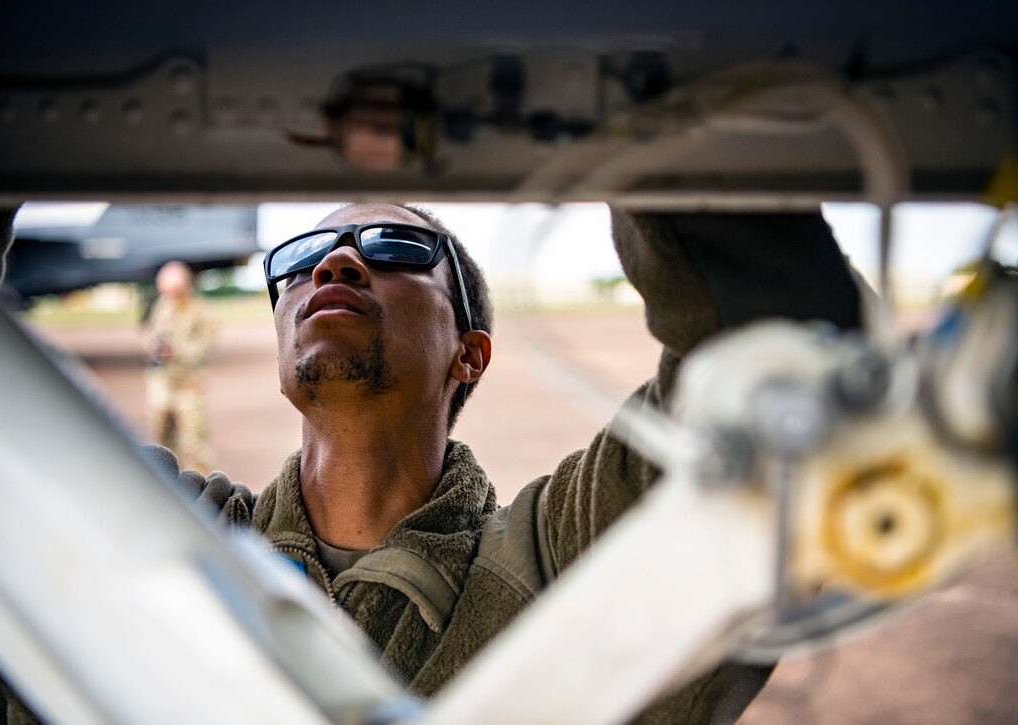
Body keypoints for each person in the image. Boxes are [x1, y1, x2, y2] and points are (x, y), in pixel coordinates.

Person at [171, 202, 863, 723]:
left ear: (469, 353)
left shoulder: (560, 556)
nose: (334, 263)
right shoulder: (178, 525)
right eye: (300, 258)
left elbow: (791, 350)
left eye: (393, 245)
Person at [144, 261, 215, 471]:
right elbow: (150, 336)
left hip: (188, 385)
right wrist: (154, 346)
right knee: (161, 440)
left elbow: (205, 345)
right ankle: (167, 485)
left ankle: (203, 491)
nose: (170, 294)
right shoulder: (162, 306)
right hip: (161, 384)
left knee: (195, 444)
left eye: (173, 288)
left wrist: (177, 350)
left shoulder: (200, 310)